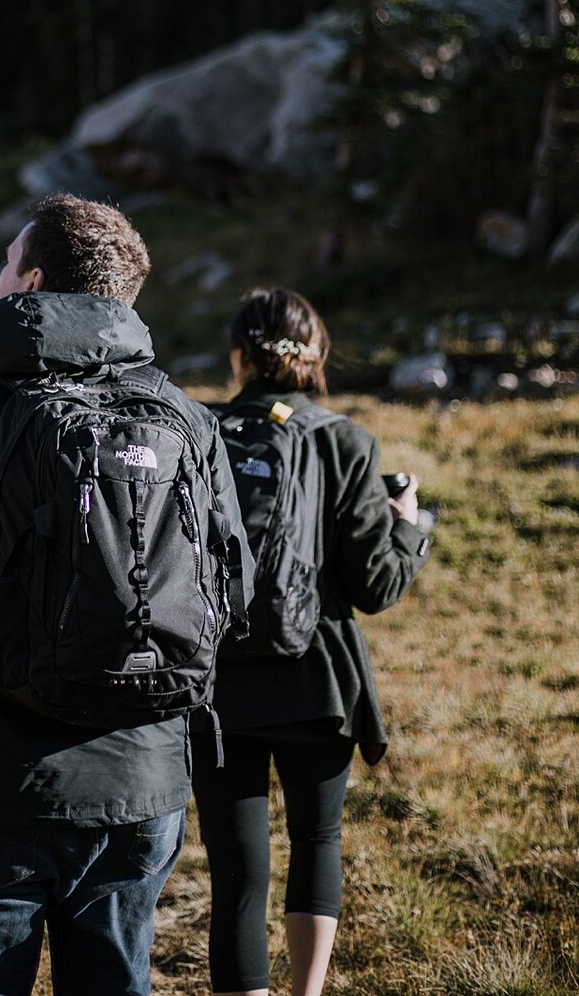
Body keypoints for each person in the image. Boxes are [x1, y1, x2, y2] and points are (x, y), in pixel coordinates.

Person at [0, 193, 250, 996]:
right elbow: (228, 594)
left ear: (30, 282)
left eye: (3, 264)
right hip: (147, 777)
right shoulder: (186, 420)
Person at [192, 287, 431, 996]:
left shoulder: (199, 431)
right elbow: (376, 588)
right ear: (317, 356)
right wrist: (409, 527)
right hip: (318, 680)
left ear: (239, 356)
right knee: (316, 841)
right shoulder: (346, 441)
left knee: (234, 868)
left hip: (217, 682)